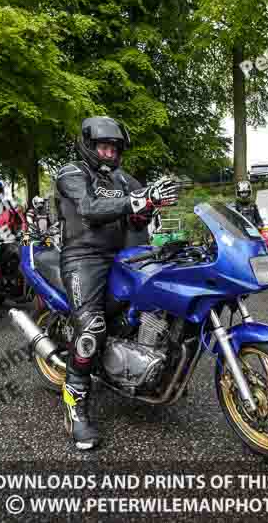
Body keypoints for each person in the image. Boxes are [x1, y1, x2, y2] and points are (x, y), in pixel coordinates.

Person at [56, 116, 178, 450]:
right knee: (92, 328)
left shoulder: (125, 178)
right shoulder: (72, 173)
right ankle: (75, 404)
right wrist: (137, 200)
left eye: (114, 148)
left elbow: (138, 215)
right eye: (103, 146)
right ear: (88, 146)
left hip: (126, 256)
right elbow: (88, 207)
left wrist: (152, 202)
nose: (109, 152)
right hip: (84, 258)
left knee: (163, 300)